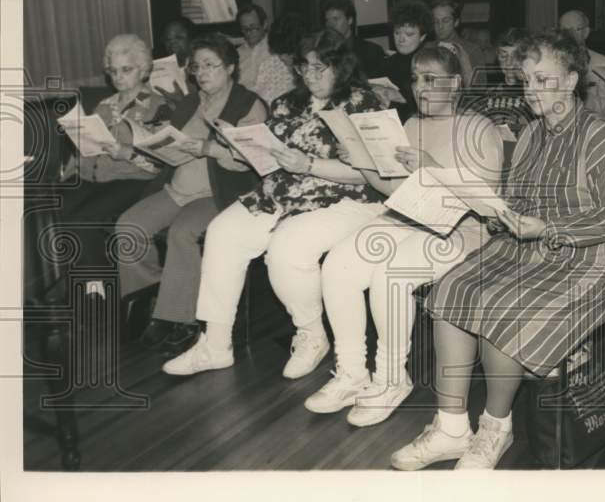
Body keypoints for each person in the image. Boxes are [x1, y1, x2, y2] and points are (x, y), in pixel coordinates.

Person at [389, 32, 605, 471]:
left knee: (507, 305)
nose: (531, 90)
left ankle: (495, 428)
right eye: (526, 80)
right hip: (529, 245)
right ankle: (450, 427)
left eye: (543, 79)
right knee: (452, 287)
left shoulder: (604, 139)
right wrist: (496, 212)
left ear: (572, 80)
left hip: (595, 256)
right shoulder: (530, 137)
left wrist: (550, 227)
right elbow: (515, 199)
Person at [158, 31, 388, 375]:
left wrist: (309, 165)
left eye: (319, 68)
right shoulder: (286, 103)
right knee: (223, 232)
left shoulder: (364, 103)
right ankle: (215, 344)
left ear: (341, 67)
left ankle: (311, 334)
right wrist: (242, 146)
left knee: (287, 246)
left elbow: (373, 174)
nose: (310, 76)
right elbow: (268, 157)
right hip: (284, 190)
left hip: (345, 197)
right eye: (304, 68)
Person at [308, 45, 504, 426]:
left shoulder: (479, 128)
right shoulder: (411, 125)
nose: (419, 88)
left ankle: (392, 379)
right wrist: (363, 164)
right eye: (415, 79)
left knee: (390, 274)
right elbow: (396, 190)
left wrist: (432, 168)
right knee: (338, 264)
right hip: (409, 217)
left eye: (431, 80)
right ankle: (351, 373)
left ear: (456, 84)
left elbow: (487, 201)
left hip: (462, 229)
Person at [116, 33, 267, 355]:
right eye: (197, 67)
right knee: (127, 227)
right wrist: (155, 141)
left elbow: (252, 162)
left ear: (229, 67)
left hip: (220, 191)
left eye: (210, 65)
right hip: (177, 188)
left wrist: (208, 147)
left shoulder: (248, 104)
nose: (202, 73)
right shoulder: (190, 101)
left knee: (183, 233)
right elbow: (174, 143)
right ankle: (154, 296)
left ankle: (179, 319)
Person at [51, 35, 170, 293]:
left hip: (137, 180)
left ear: (143, 69)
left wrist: (125, 152)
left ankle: (98, 286)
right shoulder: (104, 106)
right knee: (54, 209)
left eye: (126, 69)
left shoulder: (159, 107)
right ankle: (78, 279)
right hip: (98, 178)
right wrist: (70, 171)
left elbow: (163, 162)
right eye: (113, 71)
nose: (119, 77)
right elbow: (86, 148)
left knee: (83, 219)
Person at [458, 27, 536, 147]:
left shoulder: (535, 93)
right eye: (503, 56)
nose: (509, 62)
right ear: (497, 57)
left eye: (515, 56)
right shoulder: (490, 93)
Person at [381, 1, 431, 122]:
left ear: (422, 37)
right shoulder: (387, 62)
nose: (401, 39)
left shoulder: (428, 64)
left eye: (409, 34)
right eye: (397, 32)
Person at [558, 9, 605, 118]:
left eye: (576, 29)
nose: (570, 35)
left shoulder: (602, 62)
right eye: (565, 30)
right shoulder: (552, 62)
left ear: (586, 32)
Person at [253, 11, 314, 105]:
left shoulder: (313, 67)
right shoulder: (268, 66)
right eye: (280, 52)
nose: (283, 57)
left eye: (289, 53)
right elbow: (257, 101)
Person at [322, 0, 386, 80]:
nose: (330, 25)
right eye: (327, 20)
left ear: (350, 20)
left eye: (335, 19)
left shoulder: (372, 52)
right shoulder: (322, 51)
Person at [430, 0, 479, 85]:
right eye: (435, 21)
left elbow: (479, 91)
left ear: (456, 22)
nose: (440, 26)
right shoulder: (426, 48)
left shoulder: (472, 50)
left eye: (445, 21)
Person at [235, 3, 273, 99]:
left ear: (264, 25)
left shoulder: (276, 49)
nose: (249, 33)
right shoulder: (235, 54)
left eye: (253, 28)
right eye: (245, 29)